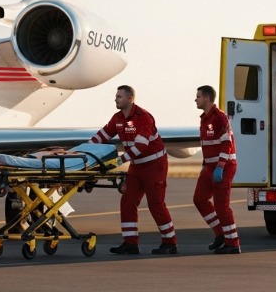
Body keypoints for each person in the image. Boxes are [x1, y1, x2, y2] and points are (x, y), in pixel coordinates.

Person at [91, 85, 177, 255]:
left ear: (130, 99)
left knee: (156, 204)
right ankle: (130, 243)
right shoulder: (117, 118)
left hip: (154, 165)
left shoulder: (143, 117)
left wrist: (119, 161)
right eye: (116, 96)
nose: (115, 99)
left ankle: (170, 243)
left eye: (119, 96)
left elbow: (141, 146)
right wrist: (85, 150)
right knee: (128, 202)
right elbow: (102, 135)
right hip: (136, 166)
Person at [193, 85, 241, 254]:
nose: (195, 99)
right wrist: (206, 166)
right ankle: (221, 233)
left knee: (222, 206)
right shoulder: (204, 119)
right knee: (199, 199)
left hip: (224, 166)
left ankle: (233, 243)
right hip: (209, 167)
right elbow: (208, 146)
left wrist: (220, 167)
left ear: (206, 98)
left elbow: (226, 143)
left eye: (198, 96)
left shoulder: (220, 117)